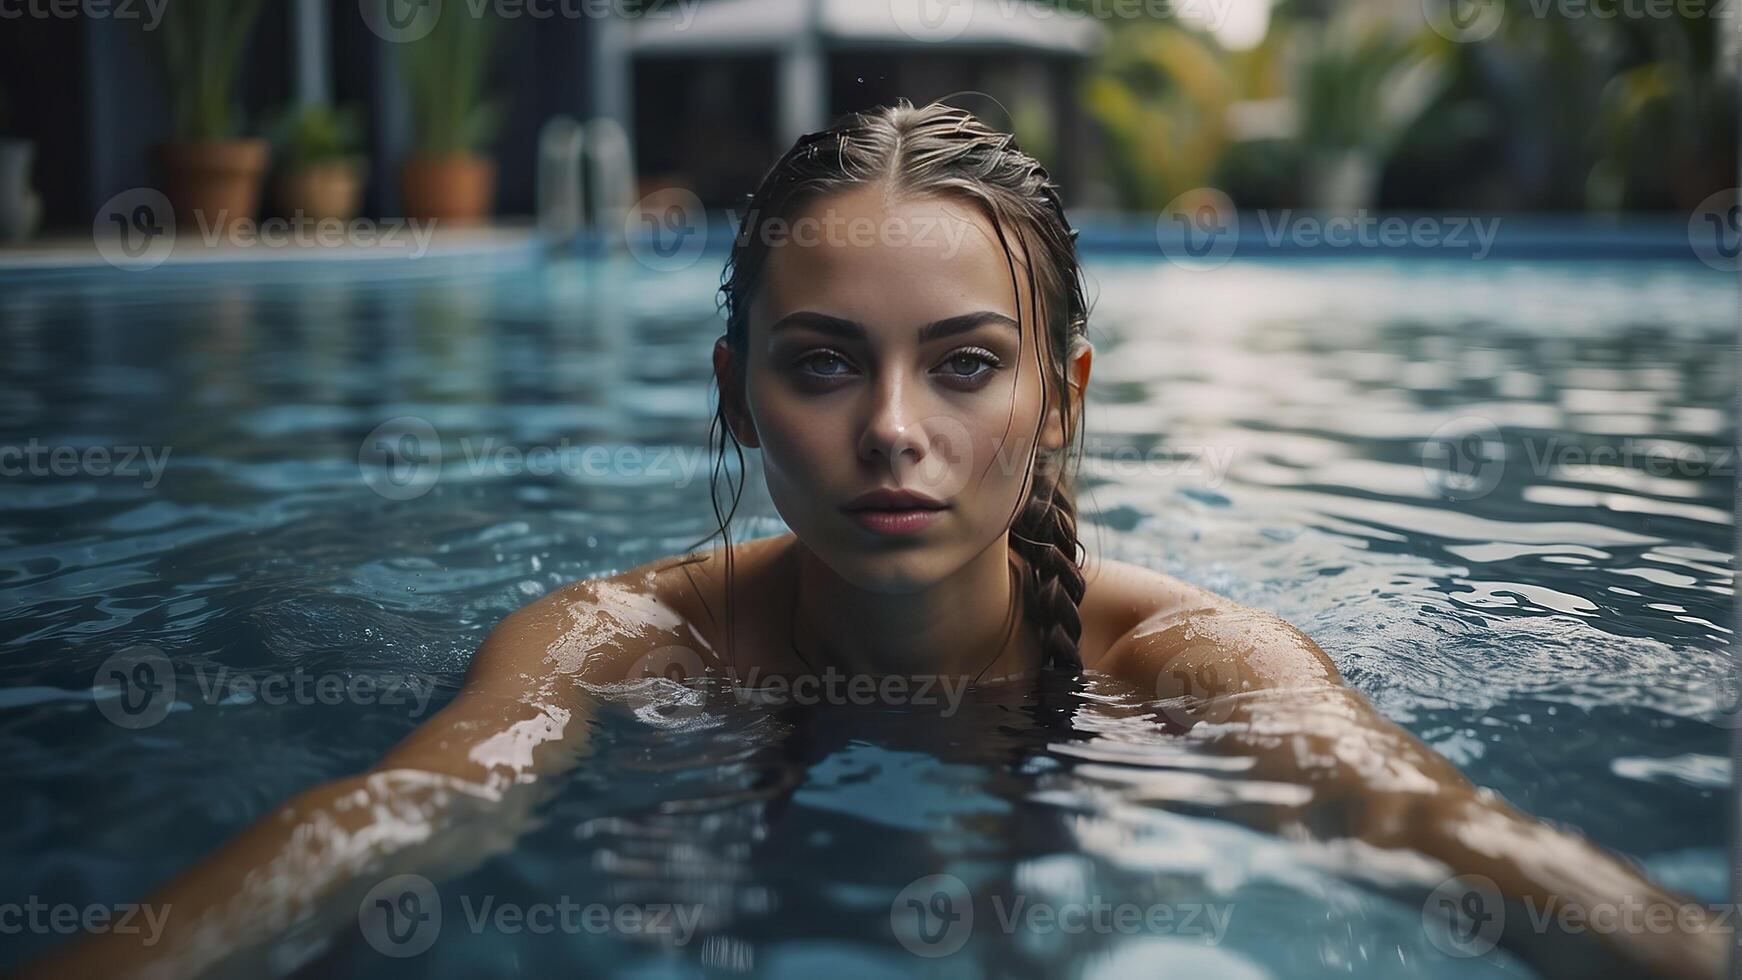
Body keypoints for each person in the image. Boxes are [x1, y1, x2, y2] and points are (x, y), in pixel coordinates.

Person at [28, 100, 1726, 980]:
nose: (893, 431)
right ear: (734, 391)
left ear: (1058, 399)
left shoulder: (1196, 665)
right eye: (824, 362)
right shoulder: (612, 644)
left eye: (964, 364)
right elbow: (397, 813)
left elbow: (1435, 826)